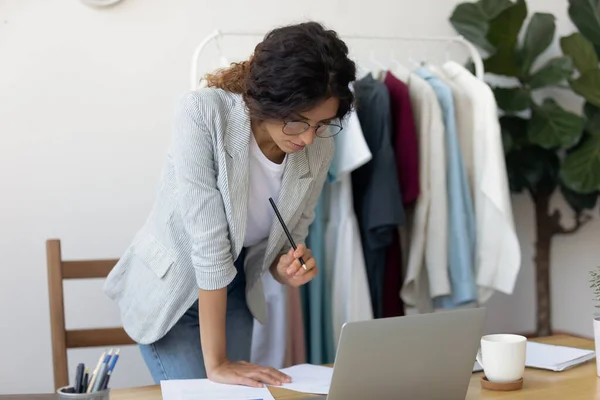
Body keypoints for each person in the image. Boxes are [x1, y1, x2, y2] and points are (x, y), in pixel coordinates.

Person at [103, 21, 356, 388]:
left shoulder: (320, 148)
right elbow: (207, 242)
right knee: (209, 391)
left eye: (321, 124)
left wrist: (286, 268)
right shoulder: (202, 113)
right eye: (297, 121)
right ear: (268, 98)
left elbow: (288, 239)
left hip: (234, 286)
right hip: (175, 286)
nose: (307, 138)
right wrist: (218, 363)